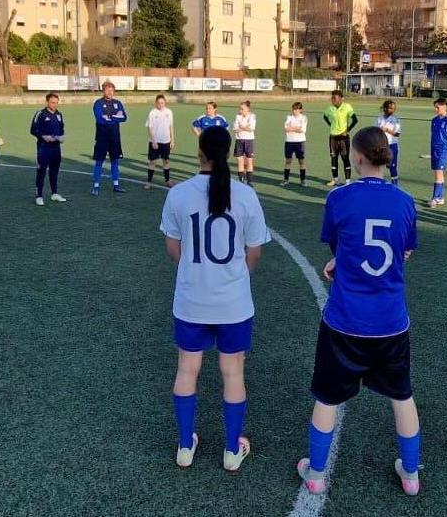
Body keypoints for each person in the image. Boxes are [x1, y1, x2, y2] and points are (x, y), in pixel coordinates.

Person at [297, 127, 421, 495]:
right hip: (390, 321)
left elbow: (341, 243)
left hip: (346, 321)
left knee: (327, 397)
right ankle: (411, 474)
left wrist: (339, 261)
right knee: (402, 396)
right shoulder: (405, 200)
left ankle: (316, 472)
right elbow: (404, 251)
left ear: (359, 156)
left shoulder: (340, 197)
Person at [159, 126, 270, 472]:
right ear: (229, 152)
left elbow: (174, 250)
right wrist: (235, 278)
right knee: (232, 372)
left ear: (200, 152)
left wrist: (198, 273)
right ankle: (231, 451)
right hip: (233, 303)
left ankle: (184, 446)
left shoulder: (178, 194)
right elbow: (255, 253)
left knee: (186, 369)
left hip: (192, 300)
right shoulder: (246, 195)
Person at [91, 82, 127, 196]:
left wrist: (110, 117)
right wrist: (116, 116)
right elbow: (100, 119)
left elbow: (124, 118)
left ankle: (116, 185)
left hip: (115, 137)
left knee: (115, 161)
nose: (110, 92)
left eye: (112, 90)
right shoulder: (98, 103)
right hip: (102, 137)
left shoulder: (118, 103)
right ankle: (96, 186)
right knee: (99, 161)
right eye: (108, 90)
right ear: (103, 91)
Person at [30, 92, 66, 206]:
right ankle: (39, 196)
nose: (54, 105)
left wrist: (61, 137)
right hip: (44, 148)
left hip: (56, 147)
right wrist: (43, 136)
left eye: (56, 103)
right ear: (47, 102)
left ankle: (54, 193)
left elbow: (61, 129)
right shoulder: (40, 114)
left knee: (54, 171)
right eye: (52, 102)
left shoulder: (59, 114)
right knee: (41, 171)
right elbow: (33, 130)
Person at [323, 90, 357, 187]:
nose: (333, 100)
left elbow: (355, 120)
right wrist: (331, 125)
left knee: (345, 158)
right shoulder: (330, 109)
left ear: (342, 99)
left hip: (343, 138)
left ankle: (347, 182)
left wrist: (347, 130)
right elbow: (325, 117)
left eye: (335, 98)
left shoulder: (347, 107)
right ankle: (335, 180)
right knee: (333, 158)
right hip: (333, 137)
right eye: (332, 98)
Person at [428, 98, 447, 207]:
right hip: (434, 149)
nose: (436, 109)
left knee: (438, 174)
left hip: (443, 150)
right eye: (435, 107)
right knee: (439, 174)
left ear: (444, 106)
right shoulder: (434, 120)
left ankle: (435, 199)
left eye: (438, 107)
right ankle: (441, 198)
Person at [145, 93, 175, 190]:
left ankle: (167, 180)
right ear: (156, 103)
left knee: (166, 161)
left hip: (166, 141)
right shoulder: (152, 112)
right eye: (159, 103)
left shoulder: (169, 112)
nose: (161, 104)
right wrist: (153, 141)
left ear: (165, 103)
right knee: (153, 162)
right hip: (155, 142)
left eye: (162, 103)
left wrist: (172, 140)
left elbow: (171, 126)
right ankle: (149, 182)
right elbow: (150, 128)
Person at [282, 102, 307, 187]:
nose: (294, 111)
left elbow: (302, 130)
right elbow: (286, 128)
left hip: (300, 142)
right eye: (293, 109)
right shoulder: (289, 117)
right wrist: (296, 128)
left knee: (301, 161)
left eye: (296, 109)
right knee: (288, 161)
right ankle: (286, 180)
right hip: (289, 141)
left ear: (300, 110)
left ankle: (302, 180)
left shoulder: (304, 118)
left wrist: (291, 128)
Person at [377, 99, 402, 185]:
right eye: (390, 108)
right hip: (382, 145)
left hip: (392, 146)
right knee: (379, 166)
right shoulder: (379, 119)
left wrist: (387, 130)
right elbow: (376, 131)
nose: (392, 110)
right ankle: (378, 183)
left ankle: (395, 185)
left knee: (392, 167)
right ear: (385, 108)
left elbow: (397, 134)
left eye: (393, 108)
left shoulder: (396, 120)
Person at [233, 100, 257, 185]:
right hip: (239, 140)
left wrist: (241, 127)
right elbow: (235, 128)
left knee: (249, 161)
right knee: (240, 161)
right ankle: (241, 181)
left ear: (247, 109)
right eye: (240, 109)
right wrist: (244, 127)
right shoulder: (237, 116)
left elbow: (251, 128)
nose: (240, 111)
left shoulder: (252, 116)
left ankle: (250, 181)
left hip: (248, 141)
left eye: (242, 109)